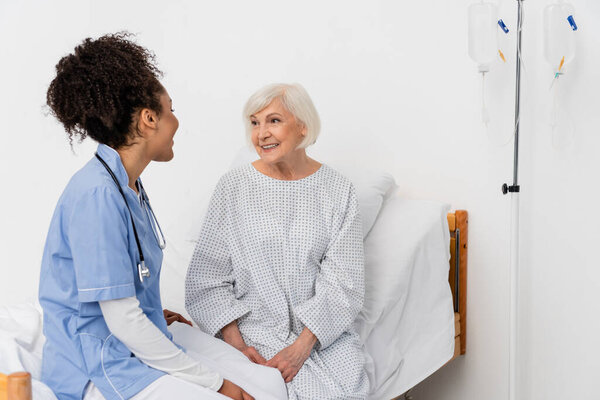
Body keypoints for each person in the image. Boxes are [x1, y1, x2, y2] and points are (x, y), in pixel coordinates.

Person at [39, 33, 284, 400]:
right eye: (171, 110)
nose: (176, 121)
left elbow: (121, 283)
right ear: (149, 118)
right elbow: (120, 318)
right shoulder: (97, 195)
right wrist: (218, 384)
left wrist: (151, 310)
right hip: (101, 363)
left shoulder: (127, 185)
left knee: (267, 384)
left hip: (135, 337)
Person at [185, 83, 370, 399]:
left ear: (302, 126)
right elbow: (207, 280)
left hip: (319, 337)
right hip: (250, 336)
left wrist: (300, 348)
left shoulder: (339, 191)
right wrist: (238, 348)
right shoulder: (234, 187)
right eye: (255, 123)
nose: (261, 134)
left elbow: (344, 284)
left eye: (273, 121)